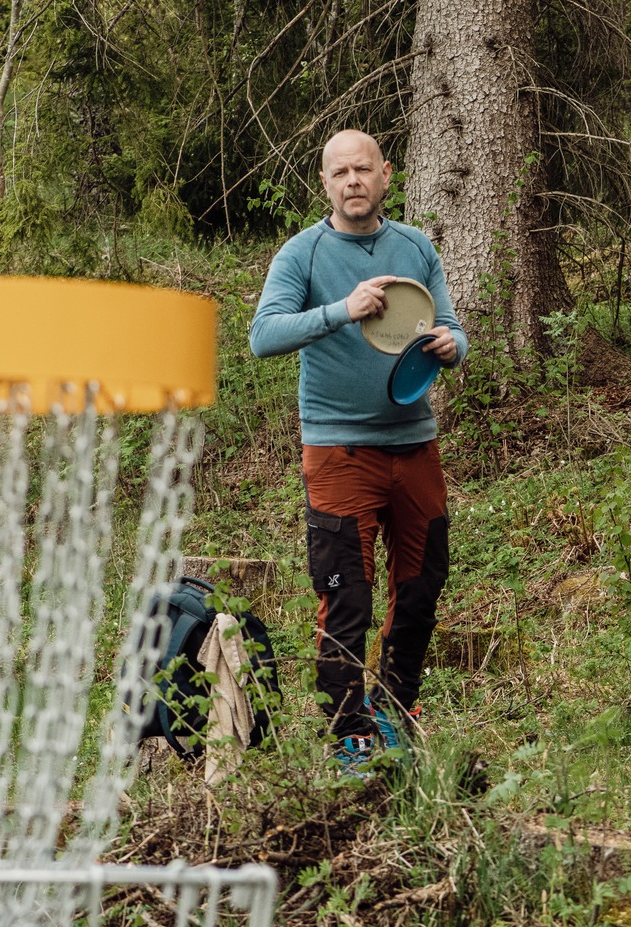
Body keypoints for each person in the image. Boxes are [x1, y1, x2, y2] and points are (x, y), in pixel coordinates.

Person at [248, 129, 467, 770]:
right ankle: (349, 731)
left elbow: (447, 324)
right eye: (340, 172)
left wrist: (456, 345)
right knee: (346, 594)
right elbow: (263, 336)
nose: (352, 181)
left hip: (414, 444)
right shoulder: (303, 254)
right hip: (339, 450)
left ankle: (396, 710)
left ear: (385, 175)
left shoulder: (415, 246)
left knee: (423, 584)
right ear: (325, 183)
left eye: (363, 169)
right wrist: (342, 309)